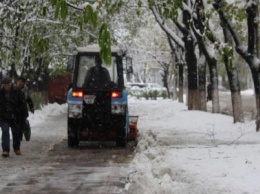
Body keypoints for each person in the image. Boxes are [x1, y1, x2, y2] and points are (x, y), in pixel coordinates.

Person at [0, 77, 28, 157]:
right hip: (4, 116)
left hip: (15, 115)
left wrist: (24, 114)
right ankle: (5, 150)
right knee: (5, 132)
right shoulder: (1, 93)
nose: (7, 86)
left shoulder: (17, 91)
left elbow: (23, 104)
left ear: (11, 84)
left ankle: (16, 148)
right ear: (3, 85)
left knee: (16, 132)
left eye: (8, 85)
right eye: (6, 85)